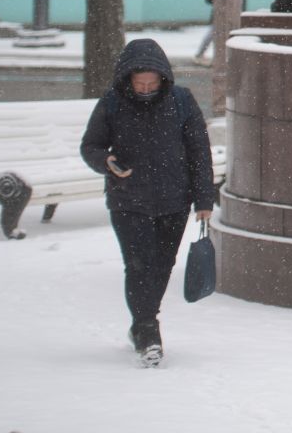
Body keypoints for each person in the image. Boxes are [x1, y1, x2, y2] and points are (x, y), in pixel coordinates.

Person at [80, 39, 215, 366]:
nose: (144, 89)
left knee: (162, 265)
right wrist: (107, 162)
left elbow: (199, 152)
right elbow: (91, 146)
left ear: (163, 79)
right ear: (127, 79)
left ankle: (142, 322)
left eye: (151, 84)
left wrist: (204, 199)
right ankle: (147, 329)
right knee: (138, 265)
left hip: (174, 199)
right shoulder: (112, 102)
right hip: (128, 200)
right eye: (139, 83)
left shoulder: (181, 101)